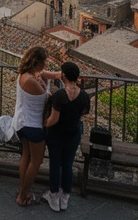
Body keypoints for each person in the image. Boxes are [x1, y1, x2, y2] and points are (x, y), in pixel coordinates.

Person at [13, 46, 62, 206]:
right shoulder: (32, 81)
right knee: (36, 161)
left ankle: (23, 189)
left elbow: (42, 80)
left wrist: (51, 76)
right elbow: (46, 98)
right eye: (44, 62)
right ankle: (22, 195)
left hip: (21, 123)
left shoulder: (23, 75)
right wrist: (47, 83)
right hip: (33, 126)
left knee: (25, 156)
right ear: (37, 62)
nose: (45, 65)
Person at [43, 61, 91, 211]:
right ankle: (65, 198)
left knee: (55, 164)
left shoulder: (59, 95)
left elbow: (53, 119)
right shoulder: (84, 95)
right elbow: (84, 112)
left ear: (63, 75)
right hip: (73, 133)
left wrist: (45, 124)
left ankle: (54, 195)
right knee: (67, 165)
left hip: (57, 134)